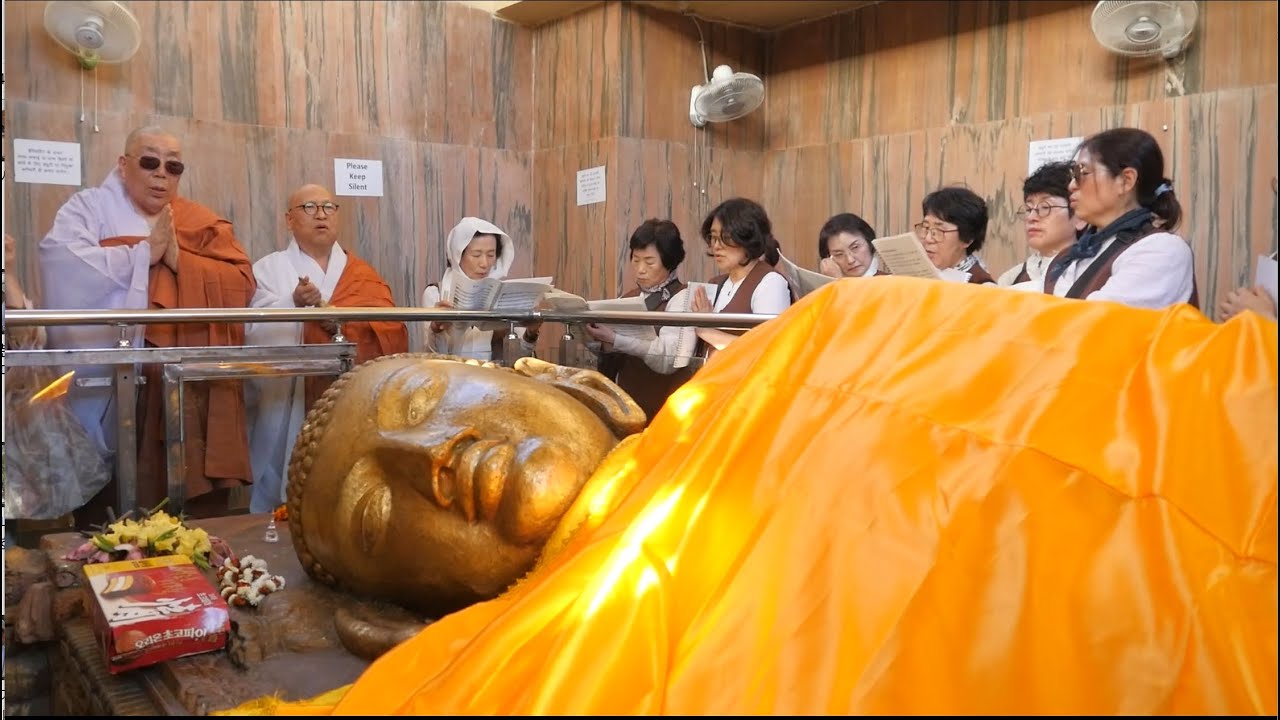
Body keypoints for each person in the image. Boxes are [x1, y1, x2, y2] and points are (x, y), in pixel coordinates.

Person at [221, 276, 1276, 716]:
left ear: (564, 378)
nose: (427, 455)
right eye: (373, 513)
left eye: (419, 393)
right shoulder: (575, 649)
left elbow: (1177, 385)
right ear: (402, 611)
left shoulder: (839, 320)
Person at [38, 125, 256, 518]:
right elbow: (62, 262)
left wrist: (178, 261)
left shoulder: (199, 220)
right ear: (124, 165)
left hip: (185, 382)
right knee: (112, 508)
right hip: (116, 381)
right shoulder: (88, 209)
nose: (161, 175)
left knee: (191, 510)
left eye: (173, 167)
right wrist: (141, 256)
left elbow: (243, 284)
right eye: (150, 162)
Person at [244, 184, 409, 514]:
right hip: (288, 398)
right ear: (289, 220)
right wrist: (292, 304)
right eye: (309, 207)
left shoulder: (362, 274)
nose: (321, 214)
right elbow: (251, 332)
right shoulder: (269, 269)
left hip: (347, 399)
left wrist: (343, 327)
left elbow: (391, 331)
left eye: (329, 207)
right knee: (284, 480)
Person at [1037, 128, 1198, 309]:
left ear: (1126, 180)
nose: (1071, 185)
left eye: (1081, 173)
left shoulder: (1162, 250)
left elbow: (1095, 321)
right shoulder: (1072, 254)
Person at [584, 219, 697, 421]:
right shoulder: (628, 297)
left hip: (666, 408)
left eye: (649, 261)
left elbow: (669, 358)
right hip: (628, 404)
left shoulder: (683, 297)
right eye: (635, 260)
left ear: (669, 261)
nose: (640, 269)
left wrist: (616, 339)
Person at [422, 217, 538, 361]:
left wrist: (531, 333)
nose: (484, 263)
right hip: (451, 376)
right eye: (476, 255)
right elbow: (430, 357)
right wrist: (436, 328)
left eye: (491, 255)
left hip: (493, 377)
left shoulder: (502, 295)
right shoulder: (435, 293)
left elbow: (520, 360)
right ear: (458, 255)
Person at [689, 198, 793, 355]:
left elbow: (766, 349)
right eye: (714, 238)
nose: (716, 246)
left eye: (725, 237)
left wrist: (706, 330)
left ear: (747, 238)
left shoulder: (770, 282)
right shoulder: (716, 283)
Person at [999, 162, 1086, 288]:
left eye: (1045, 207)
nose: (1031, 217)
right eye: (1028, 209)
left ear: (1079, 218)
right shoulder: (1010, 279)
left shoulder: (1090, 273)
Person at [913, 187, 996, 284]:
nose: (928, 239)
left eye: (939, 230)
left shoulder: (981, 287)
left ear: (967, 238)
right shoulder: (919, 275)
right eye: (926, 227)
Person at [817, 212, 883, 278]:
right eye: (839, 254)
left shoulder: (890, 282)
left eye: (855, 247)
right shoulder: (822, 287)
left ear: (870, 244)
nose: (850, 260)